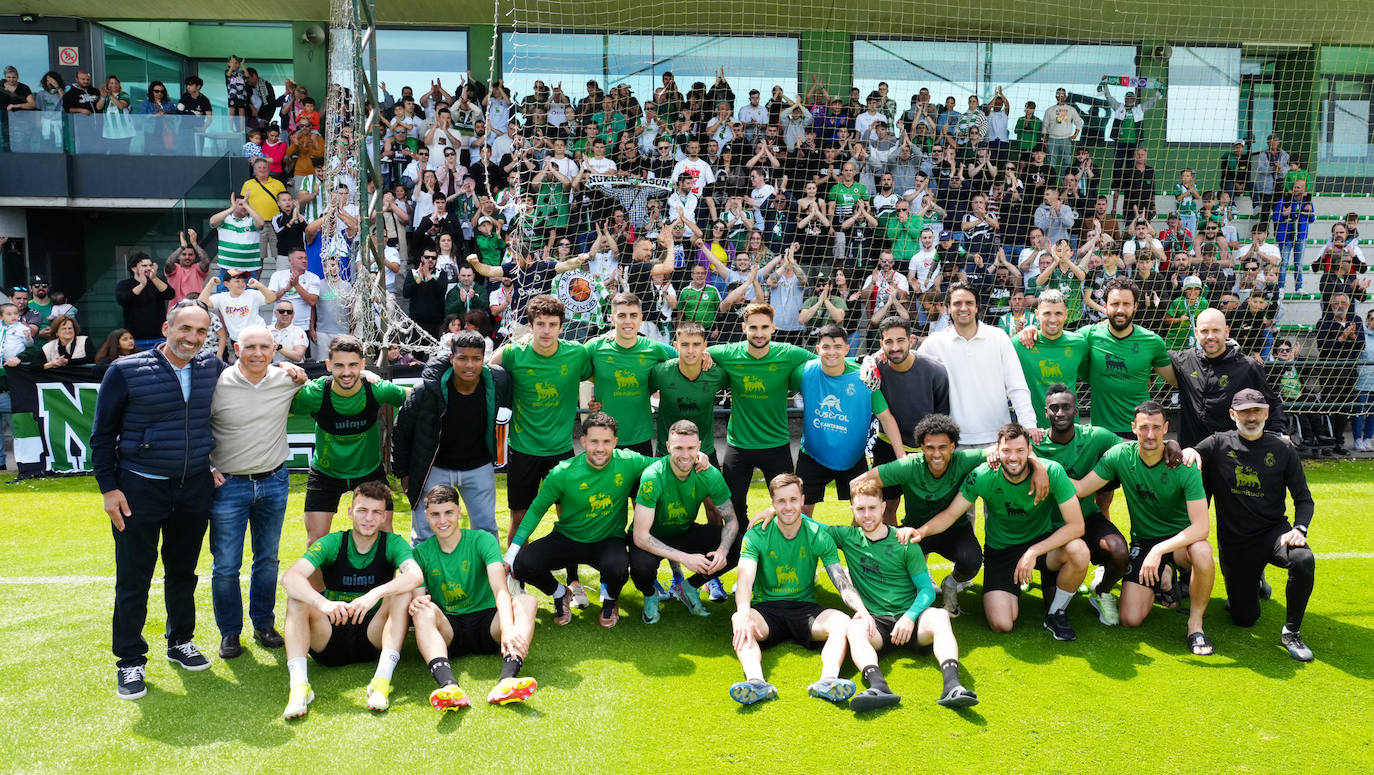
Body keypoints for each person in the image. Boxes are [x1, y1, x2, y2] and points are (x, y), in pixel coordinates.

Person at [91, 300, 222, 699]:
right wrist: (109, 489)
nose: (192, 339)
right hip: (138, 489)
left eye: (201, 332)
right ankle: (130, 661)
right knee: (134, 577)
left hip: (192, 487)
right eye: (185, 329)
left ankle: (180, 640)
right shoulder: (125, 370)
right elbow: (101, 436)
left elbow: (248, 387)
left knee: (183, 572)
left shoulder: (211, 368)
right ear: (167, 327)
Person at [910, 423, 1088, 640]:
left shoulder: (1052, 471)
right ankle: (1019, 587)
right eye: (1007, 451)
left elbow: (1077, 525)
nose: (1013, 457)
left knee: (1079, 550)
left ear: (1030, 451)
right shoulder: (983, 475)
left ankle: (1056, 612)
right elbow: (949, 515)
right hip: (1002, 550)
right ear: (997, 450)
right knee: (1001, 623)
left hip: (1041, 547)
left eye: (1020, 451)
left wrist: (1032, 552)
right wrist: (921, 532)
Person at [1074, 402, 1216, 655]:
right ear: (1133, 428)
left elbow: (1201, 527)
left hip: (1181, 542)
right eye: (1144, 428)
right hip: (1144, 542)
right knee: (1130, 619)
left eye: (1156, 428)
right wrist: (1040, 467)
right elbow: (1082, 488)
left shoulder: (1185, 464)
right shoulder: (1121, 455)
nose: (1150, 435)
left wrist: (1159, 551)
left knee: (1203, 552)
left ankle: (1195, 625)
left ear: (1166, 428)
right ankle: (1164, 577)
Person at [825, 480, 978, 710]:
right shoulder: (846, 537)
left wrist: (909, 617)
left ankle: (953, 687)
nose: (867, 515)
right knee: (853, 627)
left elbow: (926, 590)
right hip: (876, 624)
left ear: (884, 507)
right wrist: (776, 509)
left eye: (872, 508)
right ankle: (878, 687)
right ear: (852, 511)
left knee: (940, 617)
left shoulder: (903, 541)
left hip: (911, 620)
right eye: (860, 509)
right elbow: (805, 523)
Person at [1187, 389, 1316, 661]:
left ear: (1267, 413)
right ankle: (1255, 578)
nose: (1251, 417)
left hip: (1273, 534)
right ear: (1233, 415)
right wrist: (1188, 450)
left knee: (1303, 558)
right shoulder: (1218, 444)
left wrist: (1299, 528)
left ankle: (1291, 631)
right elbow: (1192, 452)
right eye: (1245, 412)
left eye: (1257, 411)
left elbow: (1304, 500)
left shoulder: (1282, 449)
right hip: (1236, 543)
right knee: (1245, 618)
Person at [279, 481, 423, 718]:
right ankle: (299, 688)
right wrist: (322, 603)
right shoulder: (333, 542)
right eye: (362, 511)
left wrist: (375, 593)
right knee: (297, 599)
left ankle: (381, 682)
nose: (369, 518)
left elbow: (415, 575)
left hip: (372, 637)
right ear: (350, 512)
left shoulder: (391, 543)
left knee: (401, 593)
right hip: (329, 635)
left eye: (376, 512)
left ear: (384, 516)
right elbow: (290, 577)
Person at [851, 413, 1016, 618]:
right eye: (930, 447)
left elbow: (1006, 451)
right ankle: (905, 598)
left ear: (954, 447)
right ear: (921, 447)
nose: (936, 453)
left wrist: (995, 453)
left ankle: (951, 584)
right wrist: (868, 512)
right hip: (915, 530)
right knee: (891, 562)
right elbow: (858, 483)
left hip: (955, 529)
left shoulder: (964, 460)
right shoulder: (909, 466)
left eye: (942, 447)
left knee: (972, 560)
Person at [728, 473, 870, 706]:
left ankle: (828, 680)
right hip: (767, 610)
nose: (788, 506)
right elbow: (745, 578)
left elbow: (840, 579)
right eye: (781, 501)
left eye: (793, 500)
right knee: (738, 619)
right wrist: (743, 612)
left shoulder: (818, 534)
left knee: (842, 622)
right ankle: (756, 682)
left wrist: (861, 609)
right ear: (772, 503)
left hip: (805, 609)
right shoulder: (756, 535)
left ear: (802, 499)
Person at [207, 326, 303, 659]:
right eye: (250, 347)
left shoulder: (287, 380)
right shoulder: (217, 384)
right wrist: (208, 467)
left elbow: (332, 376)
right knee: (226, 566)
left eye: (265, 346)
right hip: (228, 485)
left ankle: (264, 624)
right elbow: (192, 425)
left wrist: (294, 370)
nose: (258, 353)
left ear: (275, 348)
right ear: (236, 348)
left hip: (274, 482)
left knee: (267, 560)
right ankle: (229, 633)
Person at [506, 413, 654, 628]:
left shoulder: (629, 461)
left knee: (619, 566)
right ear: (583, 442)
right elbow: (536, 510)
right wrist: (511, 554)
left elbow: (663, 464)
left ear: (615, 442)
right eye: (594, 441)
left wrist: (697, 458)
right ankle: (560, 594)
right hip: (568, 537)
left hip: (608, 540)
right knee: (522, 564)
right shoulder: (562, 472)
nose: (600, 448)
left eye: (606, 442)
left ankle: (611, 601)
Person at [410, 485, 540, 709]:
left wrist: (507, 629)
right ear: (426, 516)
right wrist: (415, 602)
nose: (442, 520)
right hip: (450, 630)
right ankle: (448, 687)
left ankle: (507, 680)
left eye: (448, 512)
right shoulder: (420, 554)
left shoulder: (482, 540)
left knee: (527, 601)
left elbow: (500, 588)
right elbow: (420, 599)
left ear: (459, 512)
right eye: (435, 514)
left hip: (489, 624)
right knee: (421, 610)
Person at [707, 303, 815, 551]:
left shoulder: (788, 353)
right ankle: (743, 552)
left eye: (764, 327)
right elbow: (689, 352)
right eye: (753, 327)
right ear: (744, 328)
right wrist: (703, 356)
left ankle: (784, 553)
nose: (759, 333)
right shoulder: (727, 353)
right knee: (732, 508)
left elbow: (830, 361)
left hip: (776, 445)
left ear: (773, 328)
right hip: (739, 446)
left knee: (788, 504)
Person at [1019, 277, 1178, 438]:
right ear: (1104, 306)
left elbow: (1175, 380)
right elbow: (1058, 338)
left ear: (1135, 306)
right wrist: (1032, 330)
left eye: (1126, 304)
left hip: (1140, 431)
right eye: (1115, 304)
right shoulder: (1087, 336)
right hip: (1100, 433)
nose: (1120, 310)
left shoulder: (1152, 341)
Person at [394, 331, 512, 544]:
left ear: (483, 360)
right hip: (434, 468)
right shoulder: (427, 390)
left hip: (479, 467)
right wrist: (403, 472)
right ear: (451, 358)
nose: (469, 365)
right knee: (424, 534)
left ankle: (486, 577)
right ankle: (421, 578)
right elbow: (402, 429)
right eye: (462, 358)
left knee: (485, 530)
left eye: (476, 359)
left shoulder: (497, 383)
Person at [292, 335, 409, 545]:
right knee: (315, 541)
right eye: (339, 365)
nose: (346, 372)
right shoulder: (315, 394)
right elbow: (275, 403)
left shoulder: (376, 388)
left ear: (363, 364)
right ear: (328, 365)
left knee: (385, 537)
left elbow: (418, 397)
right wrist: (284, 366)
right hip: (325, 474)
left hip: (369, 472)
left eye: (353, 365)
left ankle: (388, 580)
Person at [1035, 384, 1131, 626]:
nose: (1060, 413)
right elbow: (1005, 449)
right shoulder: (1033, 443)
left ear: (1076, 410)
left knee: (1120, 552)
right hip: (1050, 527)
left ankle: (1102, 591)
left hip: (1087, 518)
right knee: (1051, 605)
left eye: (1066, 407)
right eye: (1054, 408)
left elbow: (1132, 447)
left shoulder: (1095, 436)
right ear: (1046, 412)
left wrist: (1172, 446)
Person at [630, 420, 740, 623]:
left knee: (738, 545)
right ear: (668, 446)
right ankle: (650, 594)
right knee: (641, 568)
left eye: (690, 448)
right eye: (678, 447)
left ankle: (687, 587)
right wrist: (685, 558)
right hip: (652, 536)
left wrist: (722, 552)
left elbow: (731, 520)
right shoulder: (653, 476)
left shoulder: (709, 474)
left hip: (683, 531)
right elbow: (640, 536)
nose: (685, 454)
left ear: (699, 447)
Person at [793, 324, 905, 514]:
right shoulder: (805, 372)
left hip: (853, 458)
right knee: (801, 510)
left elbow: (886, 418)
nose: (831, 352)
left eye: (837, 347)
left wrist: (901, 457)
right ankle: (809, 544)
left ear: (847, 348)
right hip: (812, 454)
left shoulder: (864, 377)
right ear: (818, 349)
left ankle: (850, 543)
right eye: (826, 347)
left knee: (866, 509)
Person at [918, 283, 1038, 446]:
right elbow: (911, 365)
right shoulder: (935, 342)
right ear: (948, 307)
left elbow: (1016, 386)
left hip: (997, 438)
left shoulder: (998, 337)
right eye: (957, 303)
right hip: (954, 441)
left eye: (969, 303)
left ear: (977, 307)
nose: (963, 308)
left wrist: (1029, 424)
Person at [868, 316, 950, 523]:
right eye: (889, 342)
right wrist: (871, 359)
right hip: (887, 446)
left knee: (926, 513)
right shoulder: (876, 369)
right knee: (886, 508)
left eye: (900, 340)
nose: (895, 347)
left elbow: (942, 418)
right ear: (881, 344)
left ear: (911, 340)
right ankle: (889, 554)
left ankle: (918, 555)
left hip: (926, 450)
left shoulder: (936, 372)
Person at [1171, 308, 1287, 447]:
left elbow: (1272, 403)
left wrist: (1279, 434)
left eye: (1216, 330)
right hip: (1192, 454)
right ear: (1196, 333)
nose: (1210, 336)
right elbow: (1154, 351)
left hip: (1231, 456)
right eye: (1204, 331)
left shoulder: (1247, 366)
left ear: (1226, 331)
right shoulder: (1185, 360)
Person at [584, 293, 679, 455]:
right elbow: (571, 362)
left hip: (640, 438)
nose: (628, 321)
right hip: (604, 440)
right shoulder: (594, 347)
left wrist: (704, 355)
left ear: (640, 318)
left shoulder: (654, 349)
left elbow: (686, 357)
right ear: (612, 319)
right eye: (621, 315)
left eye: (633, 315)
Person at [114, 251, 175, 351]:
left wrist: (154, 278)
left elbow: (170, 294)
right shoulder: (124, 284)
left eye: (150, 265)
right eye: (144, 265)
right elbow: (122, 299)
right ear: (133, 268)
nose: (148, 268)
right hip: (135, 340)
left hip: (159, 338)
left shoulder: (157, 282)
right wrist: (142, 285)